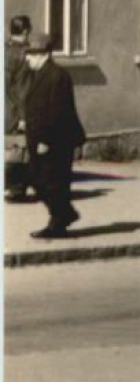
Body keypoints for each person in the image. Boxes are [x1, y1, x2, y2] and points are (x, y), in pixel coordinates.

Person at [20, 32, 86, 239]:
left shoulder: (58, 76)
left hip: (55, 141)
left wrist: (46, 140)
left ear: (42, 54)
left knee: (53, 182)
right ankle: (64, 214)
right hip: (40, 138)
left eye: (30, 54)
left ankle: (59, 222)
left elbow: (58, 111)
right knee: (38, 180)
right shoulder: (39, 74)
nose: (27, 58)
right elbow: (36, 103)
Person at [6, 16, 33, 202]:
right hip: (17, 110)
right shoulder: (25, 54)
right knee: (19, 149)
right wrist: (24, 116)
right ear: (24, 31)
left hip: (6, 108)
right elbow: (25, 87)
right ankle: (16, 188)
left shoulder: (5, 50)